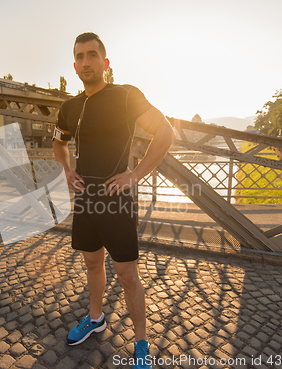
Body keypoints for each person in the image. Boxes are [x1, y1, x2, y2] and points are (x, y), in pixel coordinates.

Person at [52, 32, 175, 369]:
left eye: (92, 55)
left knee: (126, 272)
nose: (86, 61)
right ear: (74, 66)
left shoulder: (126, 96)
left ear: (105, 63)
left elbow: (165, 132)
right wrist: (66, 169)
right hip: (85, 200)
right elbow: (59, 144)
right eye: (79, 56)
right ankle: (95, 319)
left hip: (117, 199)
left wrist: (135, 176)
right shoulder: (70, 106)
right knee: (92, 263)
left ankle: (140, 343)